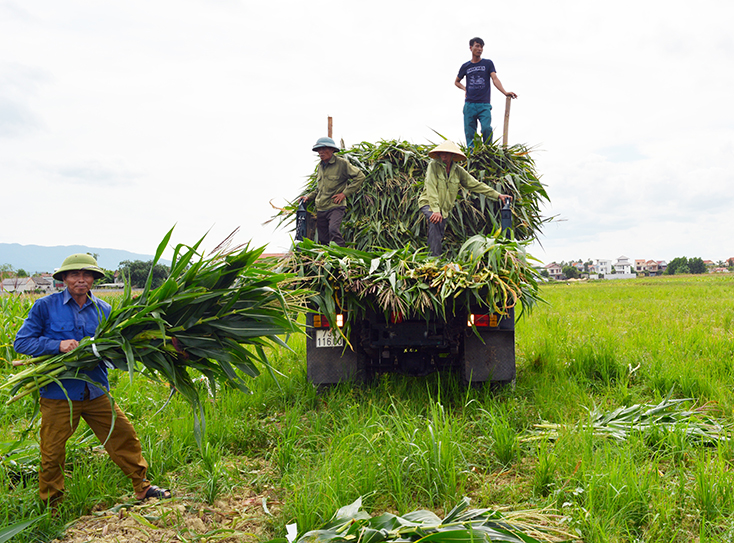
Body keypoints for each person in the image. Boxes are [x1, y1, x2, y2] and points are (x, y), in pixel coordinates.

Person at [14, 253, 172, 507]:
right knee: (52, 452)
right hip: (59, 393)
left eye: (87, 274)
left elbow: (113, 348)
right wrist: (58, 345)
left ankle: (142, 487)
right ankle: (52, 505)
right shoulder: (45, 306)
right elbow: (22, 342)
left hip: (96, 390)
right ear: (64, 278)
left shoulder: (104, 309)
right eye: (75, 274)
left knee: (124, 437)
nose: (81, 279)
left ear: (94, 279)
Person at [418, 140, 512, 256]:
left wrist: (498, 195)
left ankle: (431, 255)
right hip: (428, 203)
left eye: (446, 153)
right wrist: (436, 211)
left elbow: (476, 185)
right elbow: (431, 186)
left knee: (438, 232)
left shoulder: (458, 171)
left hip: (444, 209)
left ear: (452, 155)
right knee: (436, 222)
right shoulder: (433, 166)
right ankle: (433, 258)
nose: (443, 155)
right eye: (441, 153)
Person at [300, 136, 365, 246]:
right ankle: (327, 259)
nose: (321, 152)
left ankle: (343, 256)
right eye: (319, 150)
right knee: (323, 238)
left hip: (335, 206)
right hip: (321, 207)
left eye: (323, 149)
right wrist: (308, 197)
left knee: (333, 230)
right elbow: (319, 188)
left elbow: (360, 176)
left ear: (332, 150)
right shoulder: (320, 166)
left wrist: (344, 194)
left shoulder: (342, 164)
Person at [455, 37, 517, 148]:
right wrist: (465, 89)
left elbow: (494, 78)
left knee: (486, 128)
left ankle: (487, 149)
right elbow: (456, 82)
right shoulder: (466, 66)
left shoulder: (487, 64)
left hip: (484, 104)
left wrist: (505, 92)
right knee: (470, 132)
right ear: (471, 48)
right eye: (477, 46)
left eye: (481, 47)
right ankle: (472, 154)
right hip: (470, 104)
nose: (480, 49)